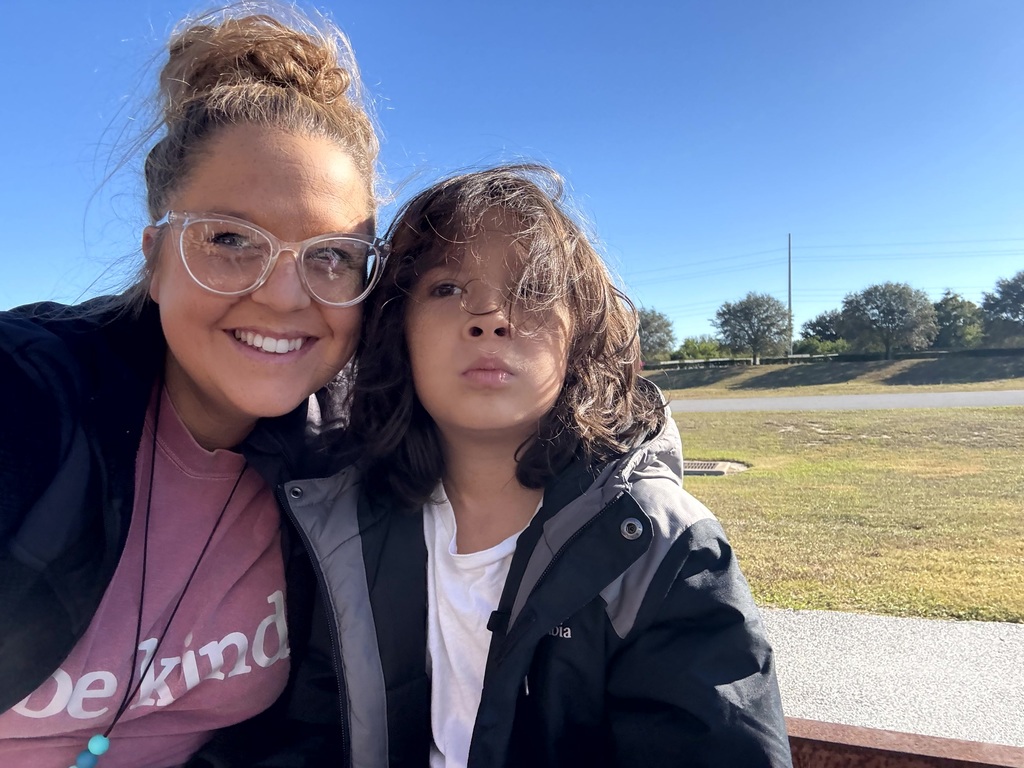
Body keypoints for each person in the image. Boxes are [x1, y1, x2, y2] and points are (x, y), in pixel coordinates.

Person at [283, 164, 793, 766]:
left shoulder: (661, 548)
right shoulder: (340, 524)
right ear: (399, 330)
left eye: (531, 291)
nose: (491, 318)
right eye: (446, 289)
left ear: (578, 335)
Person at [0, 6, 384, 767]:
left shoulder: (341, 460)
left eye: (332, 255)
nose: (285, 296)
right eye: (232, 240)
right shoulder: (28, 397)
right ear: (156, 254)